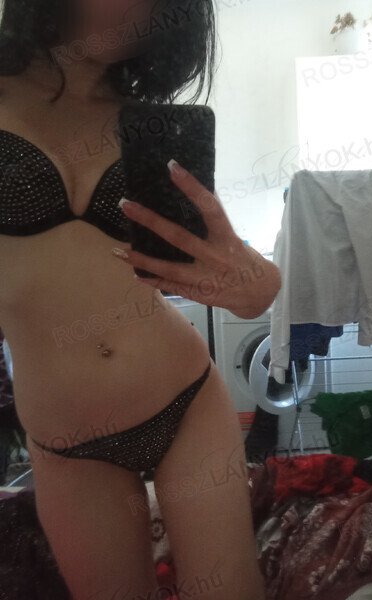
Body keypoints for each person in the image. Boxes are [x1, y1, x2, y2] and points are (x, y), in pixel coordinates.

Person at [0, 1, 281, 598]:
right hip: (67, 443)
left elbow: (222, 260)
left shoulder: (147, 124)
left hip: (185, 401)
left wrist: (260, 289)